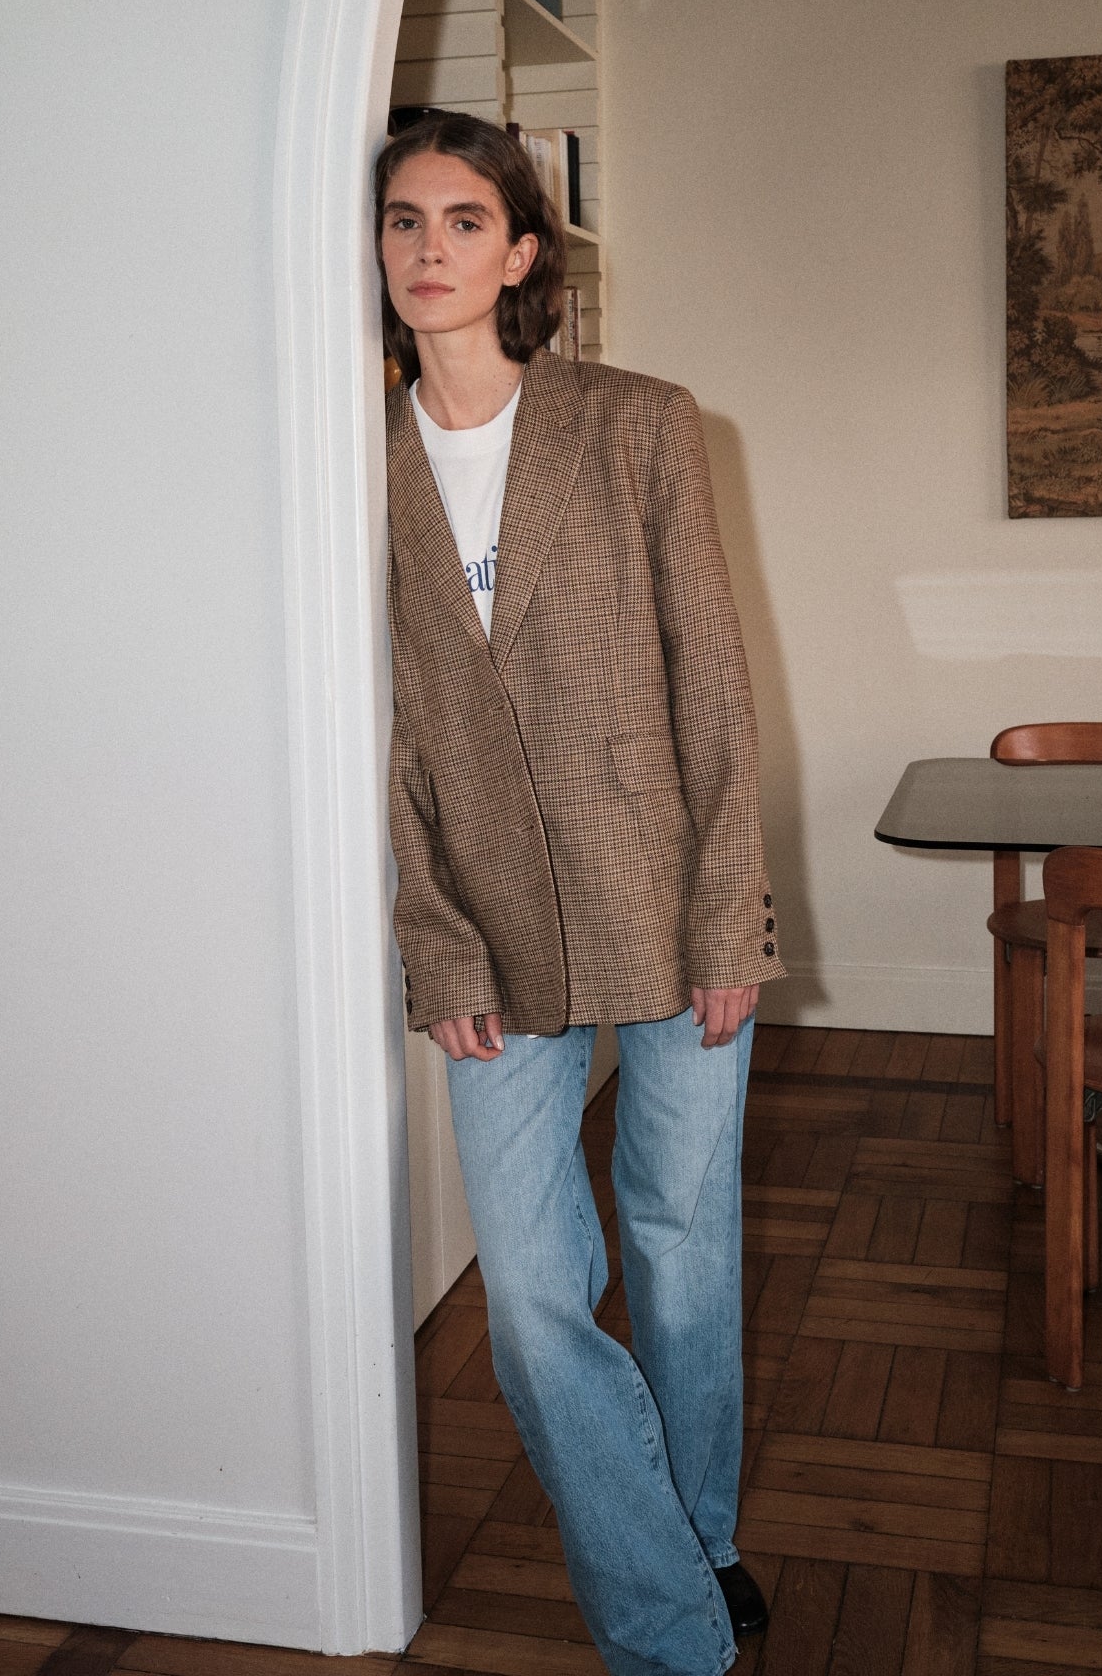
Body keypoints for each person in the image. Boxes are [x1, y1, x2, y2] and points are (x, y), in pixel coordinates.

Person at [377, 111, 783, 1676]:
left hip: (666, 895)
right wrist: (435, 947)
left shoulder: (635, 424)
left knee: (681, 1241)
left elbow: (713, 691)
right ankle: (670, 1611)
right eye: (403, 221)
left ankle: (701, 1540)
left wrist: (727, 915)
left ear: (520, 254)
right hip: (482, 929)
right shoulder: (346, 466)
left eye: (463, 221)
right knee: (536, 1297)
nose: (429, 250)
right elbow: (380, 739)